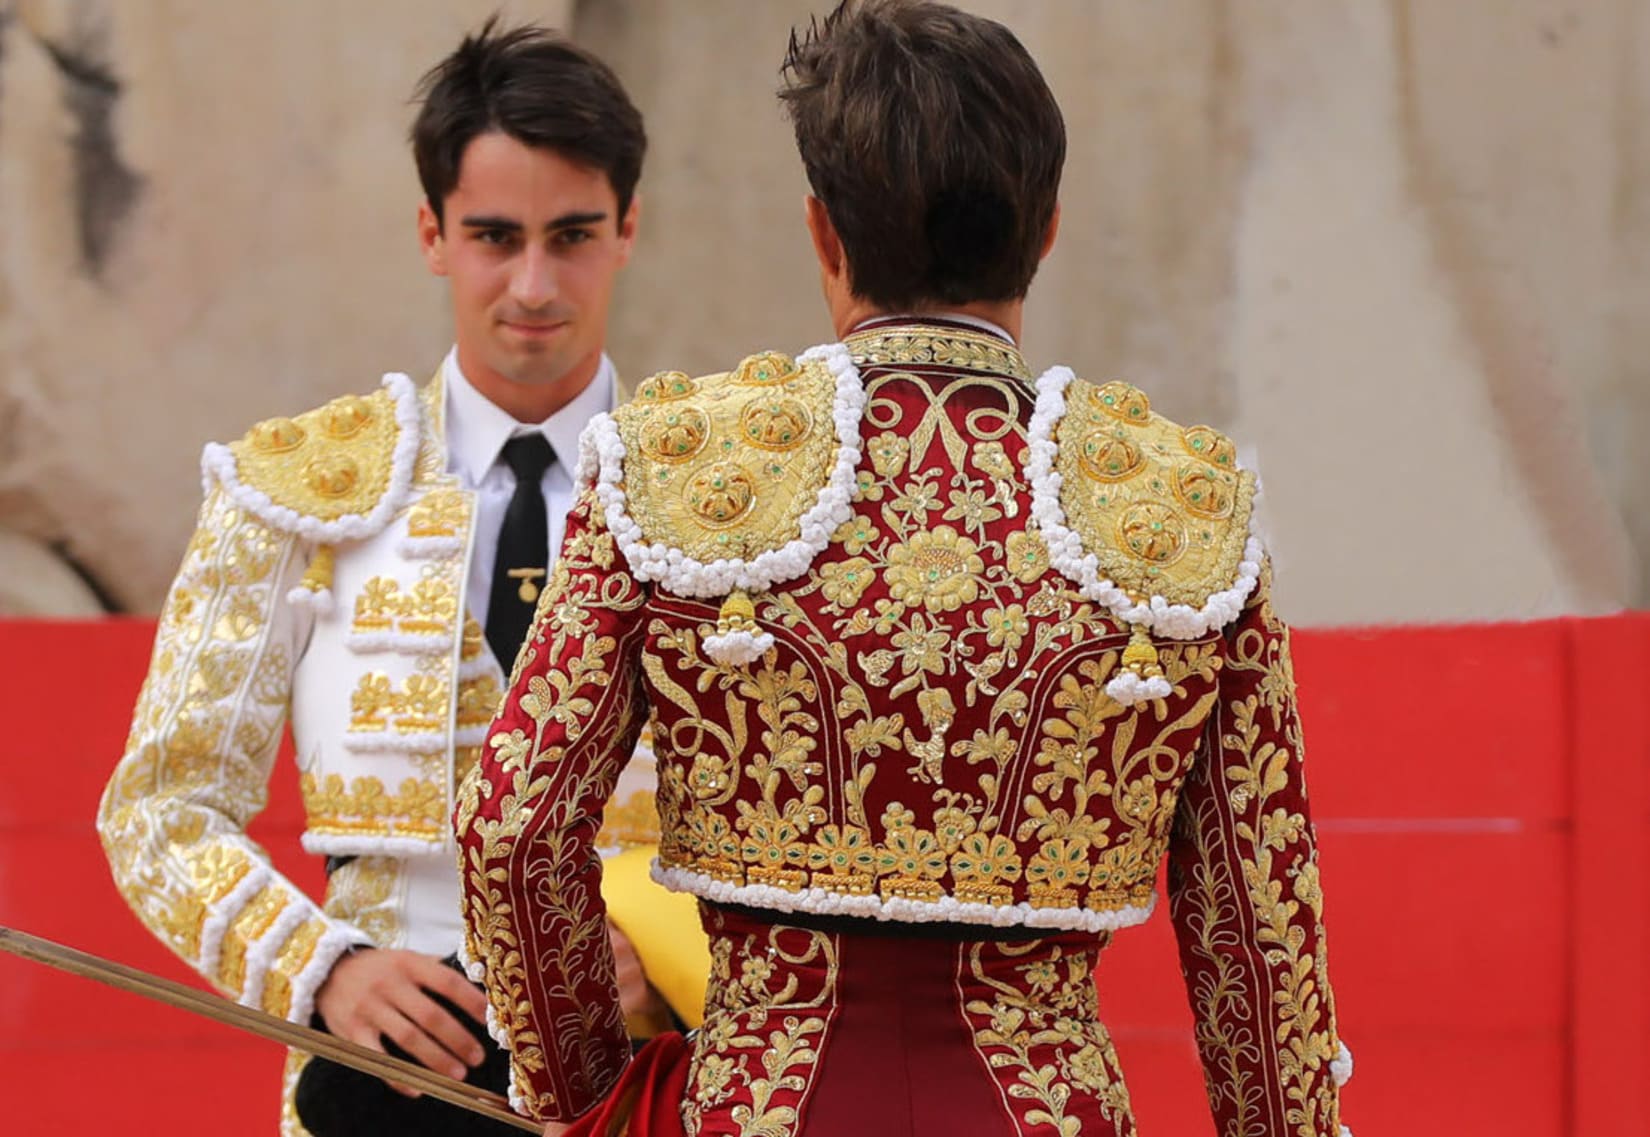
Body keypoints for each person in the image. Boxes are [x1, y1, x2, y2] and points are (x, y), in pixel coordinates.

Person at [456, 2, 1354, 1134]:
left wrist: (593, 1099)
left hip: (759, 1106)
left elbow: (513, 828)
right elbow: (1258, 929)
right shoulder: (1180, 509)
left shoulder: (671, 469)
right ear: (1049, 230)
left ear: (824, 234)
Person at [97, 20, 705, 1137]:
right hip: (378, 1089)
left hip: (658, 1076)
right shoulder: (296, 492)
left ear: (629, 228)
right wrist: (324, 970)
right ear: (432, 234)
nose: (532, 283)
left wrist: (683, 959)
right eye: (493, 236)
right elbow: (158, 808)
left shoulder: (724, 497)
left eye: (570, 234)